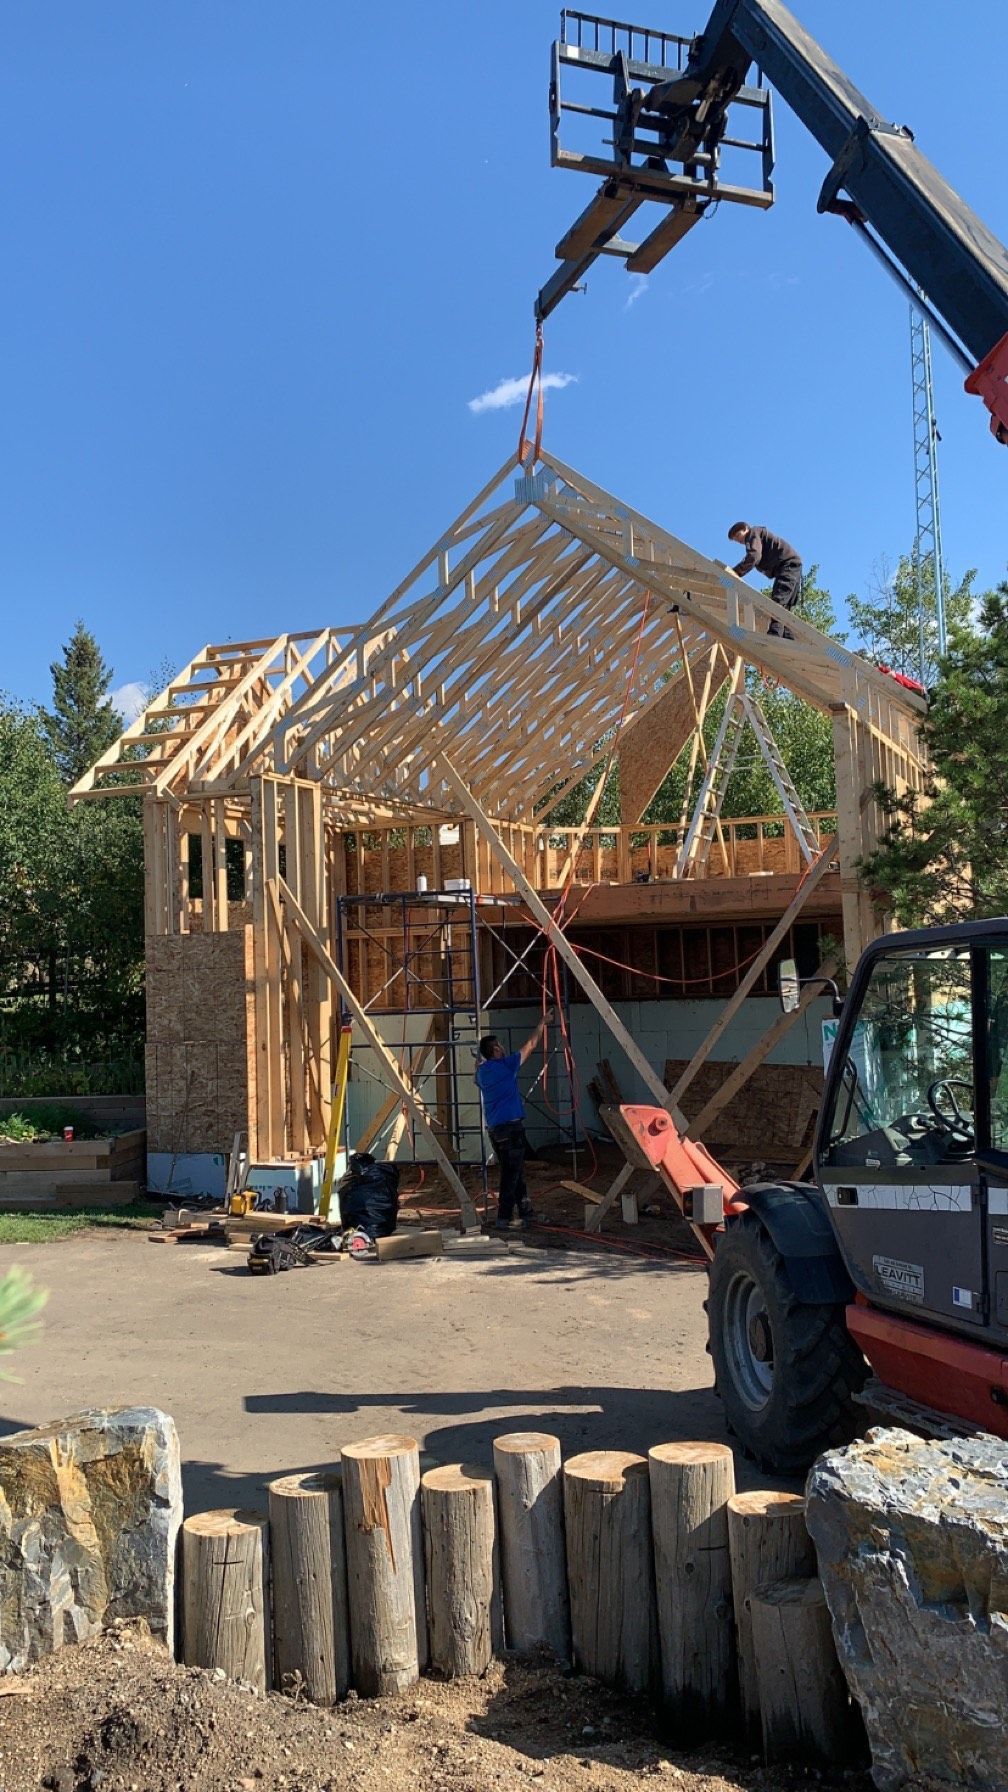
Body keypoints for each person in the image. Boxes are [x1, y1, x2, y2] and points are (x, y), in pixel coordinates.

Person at [476, 1016, 550, 1232]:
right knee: (510, 1175)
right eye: (498, 1046)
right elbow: (531, 1045)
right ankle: (504, 1217)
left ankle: (526, 1212)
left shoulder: (482, 1072)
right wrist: (542, 1022)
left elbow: (476, 1075)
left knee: (514, 1171)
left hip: (495, 1130)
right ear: (495, 1051)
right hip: (511, 1128)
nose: (502, 1047)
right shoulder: (506, 1066)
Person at [727, 521, 803, 639]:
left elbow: (754, 556)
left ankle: (775, 634)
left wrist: (736, 572)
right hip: (793, 566)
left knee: (779, 600)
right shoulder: (758, 536)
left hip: (787, 565)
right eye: (736, 540)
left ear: (746, 528)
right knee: (786, 605)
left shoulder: (753, 533)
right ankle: (788, 637)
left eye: (738, 535)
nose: (739, 540)